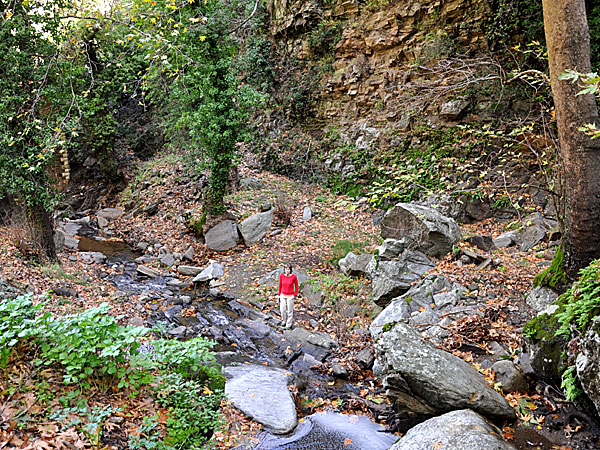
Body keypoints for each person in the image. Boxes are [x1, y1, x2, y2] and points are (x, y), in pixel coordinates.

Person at [278, 264, 298, 330]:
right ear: (284, 269)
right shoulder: (281, 276)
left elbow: (296, 286)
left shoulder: (293, 277)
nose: (287, 270)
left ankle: (288, 324)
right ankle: (284, 321)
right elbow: (280, 285)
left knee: (290, 311)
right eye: (286, 269)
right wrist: (279, 294)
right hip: (283, 295)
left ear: (290, 270)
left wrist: (294, 294)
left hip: (290, 296)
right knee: (282, 310)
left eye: (288, 269)